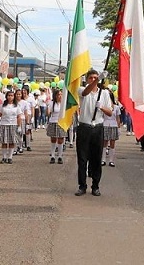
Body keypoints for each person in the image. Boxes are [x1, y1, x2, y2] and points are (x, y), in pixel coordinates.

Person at [75, 69, 112, 197]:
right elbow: (85, 92)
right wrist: (98, 79)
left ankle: (95, 186)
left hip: (97, 127)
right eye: (91, 77)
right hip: (84, 127)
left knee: (96, 159)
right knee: (82, 158)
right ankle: (82, 186)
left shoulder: (104, 93)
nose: (93, 79)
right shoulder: (81, 89)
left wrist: (101, 107)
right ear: (87, 79)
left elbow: (110, 112)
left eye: (95, 77)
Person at [0, 90, 22, 164]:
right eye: (9, 95)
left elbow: (19, 116)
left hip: (13, 124)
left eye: (11, 95)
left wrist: (19, 126)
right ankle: (4, 157)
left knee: (11, 141)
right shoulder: (3, 105)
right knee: (4, 142)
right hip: (4, 124)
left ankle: (10, 157)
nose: (10, 97)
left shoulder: (16, 106)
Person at [46, 89, 67, 164]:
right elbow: (48, 113)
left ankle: (60, 156)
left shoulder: (64, 103)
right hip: (53, 122)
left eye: (61, 94)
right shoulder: (52, 103)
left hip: (61, 123)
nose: (60, 96)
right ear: (55, 96)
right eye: (58, 95)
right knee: (53, 139)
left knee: (61, 139)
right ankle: (52, 155)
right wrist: (47, 109)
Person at [102, 90, 121, 167]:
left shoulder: (116, 107)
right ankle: (103, 160)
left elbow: (118, 118)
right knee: (104, 143)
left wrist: (119, 128)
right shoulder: (104, 107)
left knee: (112, 143)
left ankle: (111, 160)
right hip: (105, 124)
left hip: (113, 125)